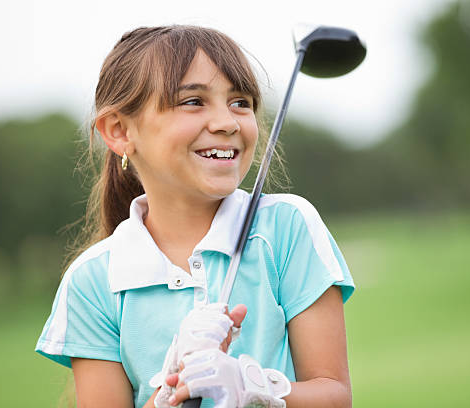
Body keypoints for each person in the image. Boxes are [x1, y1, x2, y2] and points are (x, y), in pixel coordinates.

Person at [35, 24, 355, 408]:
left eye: (241, 102)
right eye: (193, 102)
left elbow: (334, 395)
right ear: (120, 131)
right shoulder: (91, 281)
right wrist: (172, 387)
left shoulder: (286, 227)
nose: (227, 122)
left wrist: (253, 388)